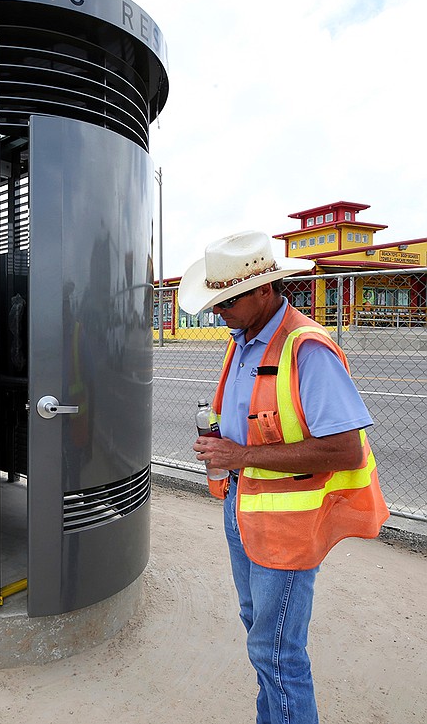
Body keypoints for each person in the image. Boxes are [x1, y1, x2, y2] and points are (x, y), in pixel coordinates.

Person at [178, 231, 389, 724]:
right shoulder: (245, 341)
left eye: (227, 300)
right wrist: (225, 451)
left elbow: (346, 449)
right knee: (261, 636)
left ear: (264, 290)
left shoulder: (307, 348)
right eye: (215, 302)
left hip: (286, 528)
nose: (218, 311)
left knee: (277, 653)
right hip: (244, 509)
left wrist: (240, 454)